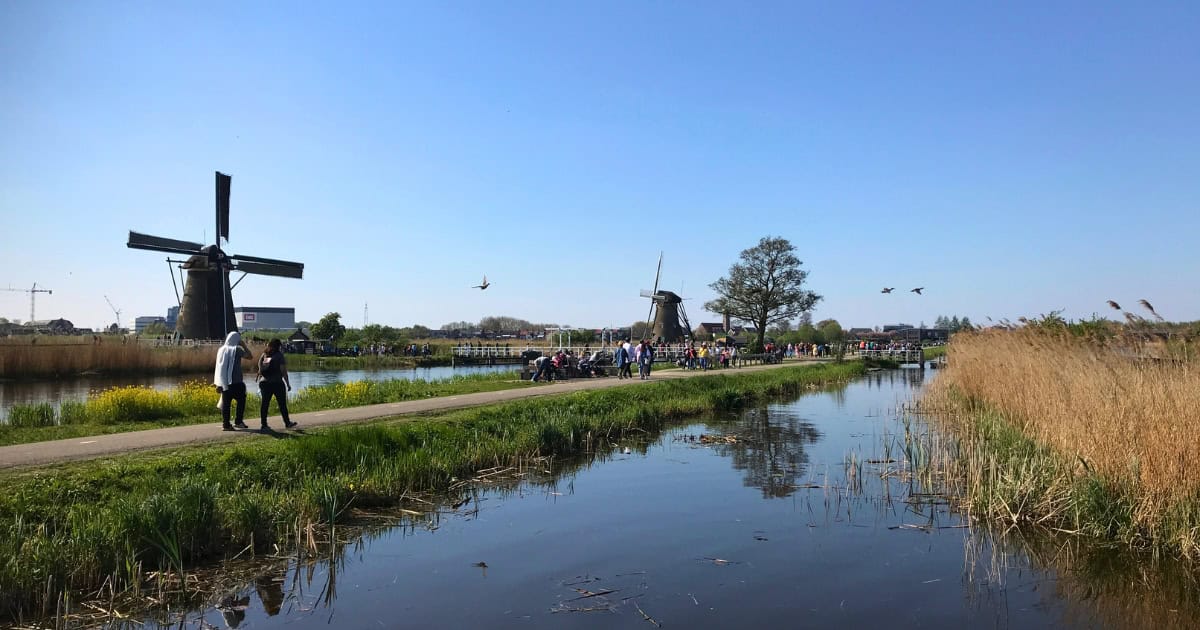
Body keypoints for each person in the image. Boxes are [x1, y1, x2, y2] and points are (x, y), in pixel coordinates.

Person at [214, 331, 252, 431]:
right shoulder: (236, 350)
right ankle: (238, 421)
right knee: (241, 400)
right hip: (236, 381)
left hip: (224, 382)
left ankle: (226, 424)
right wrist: (244, 345)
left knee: (226, 404)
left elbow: (219, 367)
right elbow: (250, 356)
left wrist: (218, 384)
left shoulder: (221, 350)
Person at [257, 338, 297, 430]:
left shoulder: (264, 355)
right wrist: (288, 384)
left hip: (264, 383)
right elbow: (283, 371)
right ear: (279, 346)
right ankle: (287, 423)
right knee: (282, 404)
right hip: (277, 383)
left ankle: (264, 424)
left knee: (265, 404)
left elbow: (260, 369)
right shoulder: (279, 356)